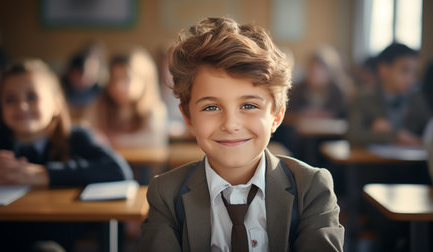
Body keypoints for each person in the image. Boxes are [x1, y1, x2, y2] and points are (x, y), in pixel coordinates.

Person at [139, 17, 344, 251]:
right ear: (188, 119)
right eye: (211, 107)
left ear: (276, 116)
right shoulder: (166, 193)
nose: (231, 124)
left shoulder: (311, 187)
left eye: (248, 106)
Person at [0, 59, 133, 251]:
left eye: (32, 97)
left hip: (56, 240)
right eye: (10, 99)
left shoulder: (75, 137)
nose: (21, 106)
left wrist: (43, 174)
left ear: (56, 105)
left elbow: (119, 170)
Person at [348, 43, 431, 146]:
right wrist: (394, 136)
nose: (410, 79)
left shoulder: (416, 98)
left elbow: (431, 132)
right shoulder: (364, 98)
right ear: (384, 70)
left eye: (414, 73)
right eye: (405, 71)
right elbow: (353, 135)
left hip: (411, 160)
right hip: (374, 160)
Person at [86, 48, 168, 148]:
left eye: (126, 79)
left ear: (145, 79)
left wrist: (113, 140)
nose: (119, 86)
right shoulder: (100, 106)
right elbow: (89, 132)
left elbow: (154, 140)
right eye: (115, 78)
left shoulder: (154, 109)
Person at [61, 42, 106, 125]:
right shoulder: (61, 91)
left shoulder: (99, 93)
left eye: (92, 73)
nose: (87, 77)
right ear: (71, 73)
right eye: (81, 73)